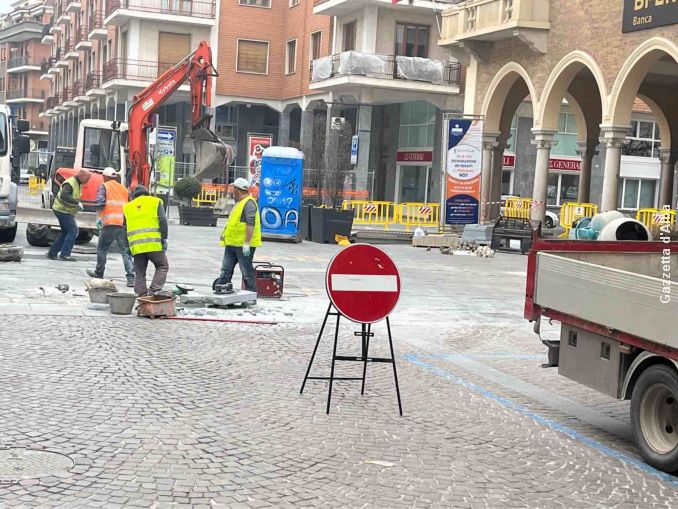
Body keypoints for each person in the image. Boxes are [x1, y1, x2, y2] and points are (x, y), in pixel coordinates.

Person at [86, 167, 135, 287]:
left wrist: (98, 217)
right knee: (125, 251)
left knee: (102, 249)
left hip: (109, 223)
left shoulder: (104, 186)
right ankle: (130, 278)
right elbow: (130, 205)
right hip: (122, 224)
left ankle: (99, 272)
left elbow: (100, 202)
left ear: (105, 177)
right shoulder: (124, 189)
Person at [123, 185, 169, 296]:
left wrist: (127, 246)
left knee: (139, 273)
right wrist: (164, 238)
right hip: (153, 243)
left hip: (136, 246)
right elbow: (162, 220)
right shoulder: (155, 201)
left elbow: (124, 227)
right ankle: (153, 292)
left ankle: (141, 296)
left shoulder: (127, 207)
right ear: (147, 193)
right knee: (162, 266)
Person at [217, 177, 261, 292]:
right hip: (232, 244)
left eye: (233, 188)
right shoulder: (240, 203)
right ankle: (222, 291)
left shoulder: (249, 203)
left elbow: (250, 224)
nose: (232, 191)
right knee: (225, 270)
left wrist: (247, 243)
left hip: (243, 246)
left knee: (246, 272)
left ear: (237, 189)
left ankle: (251, 294)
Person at [47, 169, 92, 261]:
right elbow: (64, 196)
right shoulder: (71, 183)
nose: (88, 181)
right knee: (73, 231)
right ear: (82, 176)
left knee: (65, 233)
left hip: (64, 210)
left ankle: (52, 253)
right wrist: (76, 202)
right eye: (87, 178)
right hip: (63, 210)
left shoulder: (77, 183)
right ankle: (65, 254)